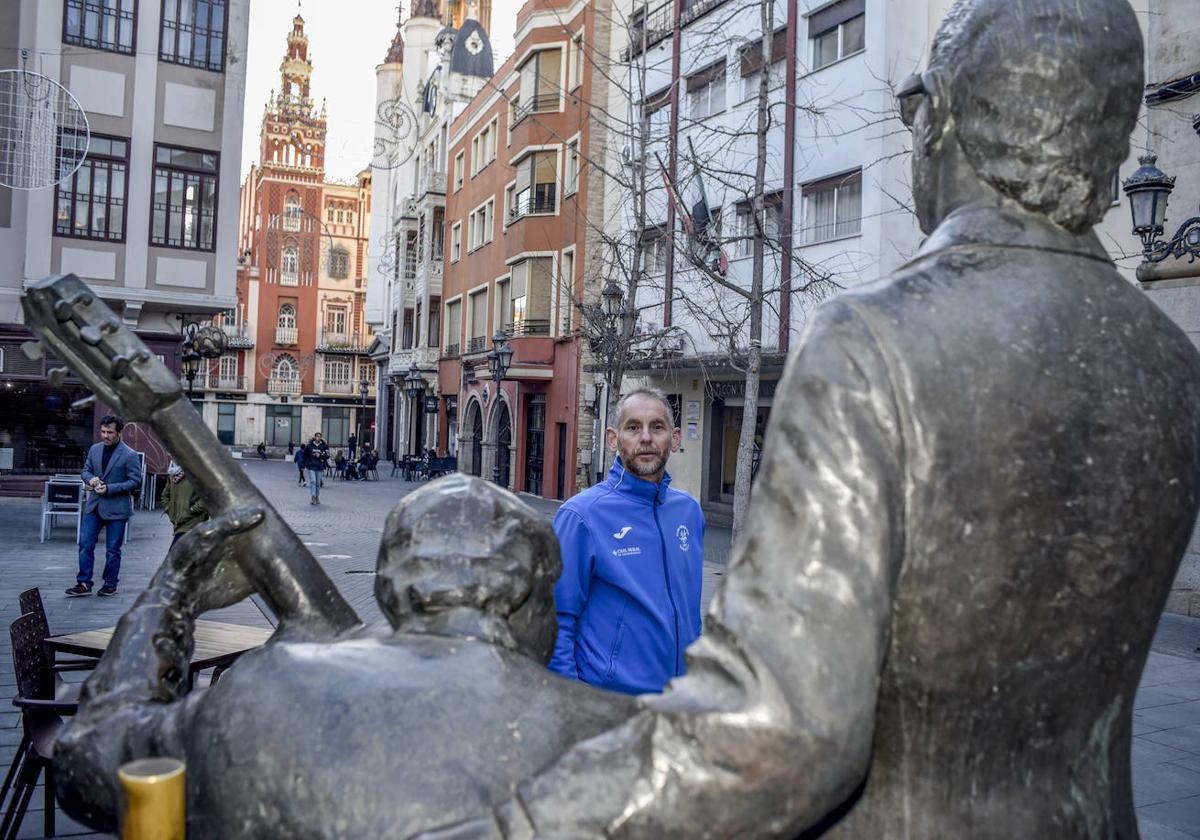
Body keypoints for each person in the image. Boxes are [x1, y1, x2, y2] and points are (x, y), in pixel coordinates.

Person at [419, 1, 1200, 837]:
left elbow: (781, 725)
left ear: (937, 119)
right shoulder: (1169, 361)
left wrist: (513, 826)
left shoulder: (876, 342)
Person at [52, 476, 637, 838]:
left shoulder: (260, 691)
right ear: (530, 594)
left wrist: (172, 589)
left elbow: (87, 765)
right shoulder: (625, 743)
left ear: (387, 589)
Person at [548, 387, 705, 695]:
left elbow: (690, 612)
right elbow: (556, 624)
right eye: (633, 427)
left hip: (678, 705)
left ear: (674, 439)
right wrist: (573, 705)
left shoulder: (689, 513)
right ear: (612, 438)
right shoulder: (581, 517)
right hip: (610, 708)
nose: (645, 438)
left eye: (656, 427)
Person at [66, 415, 143, 597]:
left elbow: (135, 481)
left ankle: (110, 584)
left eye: (110, 432)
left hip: (117, 508)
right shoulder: (94, 449)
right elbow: (85, 470)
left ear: (119, 433)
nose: (105, 435)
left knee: (112, 550)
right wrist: (90, 479)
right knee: (85, 544)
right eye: (103, 431)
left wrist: (110, 488)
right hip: (94, 507)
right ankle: (84, 583)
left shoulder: (129, 455)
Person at [159, 462, 207, 547]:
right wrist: (169, 509)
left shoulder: (197, 473)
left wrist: (192, 510)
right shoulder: (173, 473)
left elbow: (206, 497)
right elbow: (165, 495)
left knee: (174, 555)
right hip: (178, 521)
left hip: (193, 521)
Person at [301, 432, 328, 504]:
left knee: (318, 483)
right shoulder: (309, 446)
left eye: (319, 437)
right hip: (311, 466)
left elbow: (327, 455)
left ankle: (317, 497)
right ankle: (313, 496)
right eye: (317, 437)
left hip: (319, 466)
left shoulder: (324, 446)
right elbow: (304, 455)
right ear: (314, 437)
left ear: (321, 438)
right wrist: (303, 465)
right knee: (313, 481)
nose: (318, 438)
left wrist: (320, 456)